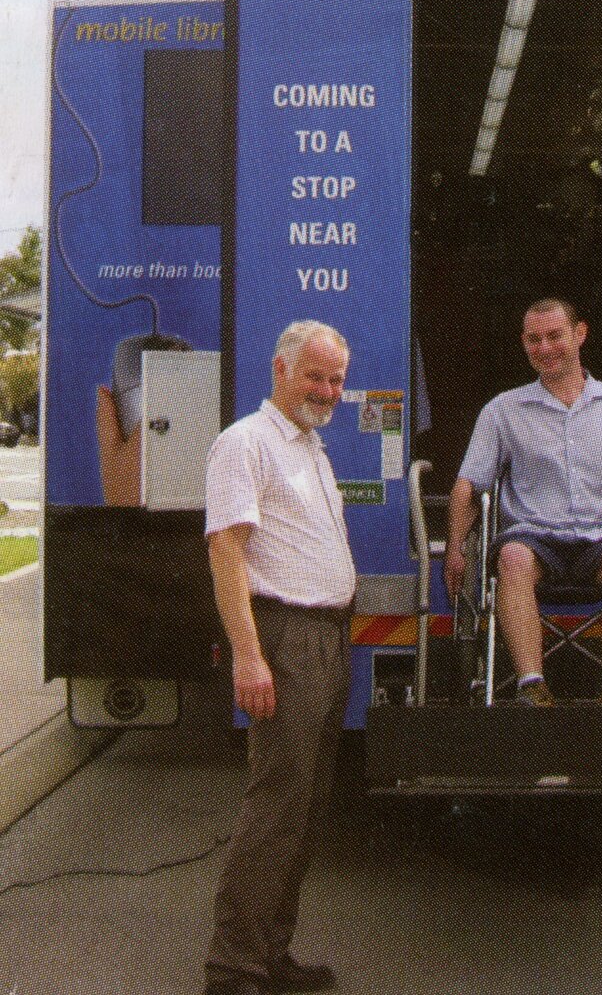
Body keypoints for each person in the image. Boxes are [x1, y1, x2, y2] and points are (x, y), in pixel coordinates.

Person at [203, 321, 355, 995]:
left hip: (327, 639)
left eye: (335, 380)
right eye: (314, 376)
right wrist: (250, 657)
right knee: (275, 809)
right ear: (279, 370)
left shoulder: (311, 449)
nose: (326, 390)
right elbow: (227, 549)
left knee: (306, 806)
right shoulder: (246, 444)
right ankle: (232, 971)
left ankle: (270, 956)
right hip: (285, 640)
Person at [444, 298, 602, 707]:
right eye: (534, 339)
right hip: (534, 538)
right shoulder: (503, 411)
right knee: (512, 558)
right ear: (523, 344)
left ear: (580, 335)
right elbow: (468, 486)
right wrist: (454, 548)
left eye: (555, 336)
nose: (545, 348)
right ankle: (531, 686)